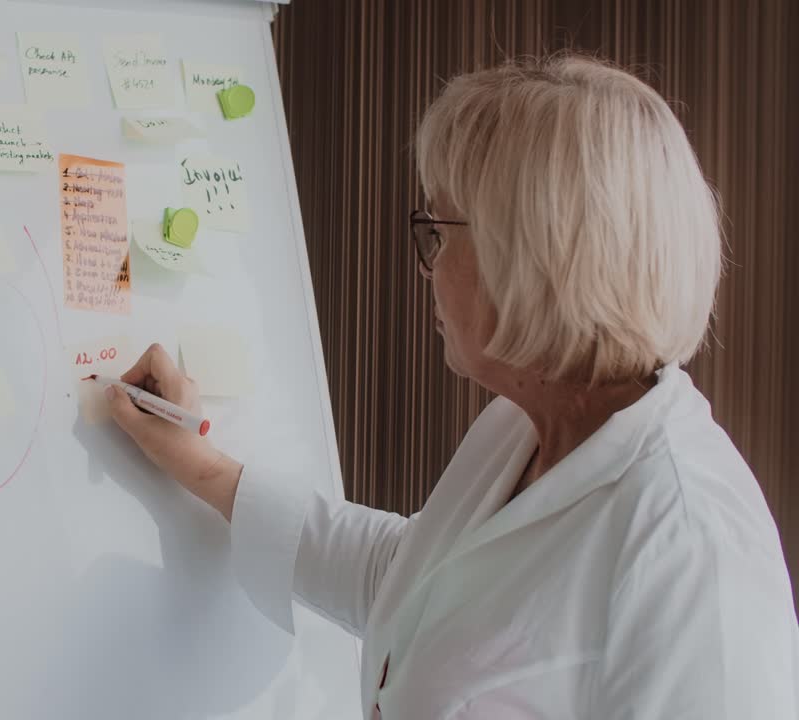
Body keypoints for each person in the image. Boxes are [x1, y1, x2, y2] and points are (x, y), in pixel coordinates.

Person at [104, 53, 799, 718]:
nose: (427, 267)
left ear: (531, 254)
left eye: (438, 229)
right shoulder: (524, 426)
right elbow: (413, 585)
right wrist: (200, 465)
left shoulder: (693, 551)